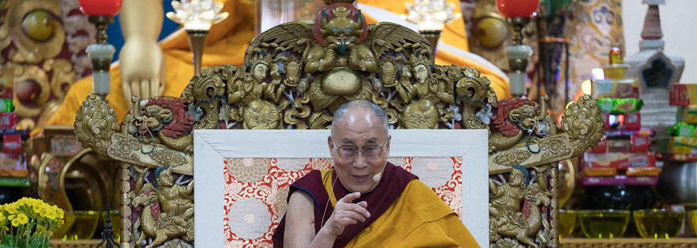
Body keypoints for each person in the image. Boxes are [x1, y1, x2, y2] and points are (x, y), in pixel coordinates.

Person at [44, 0, 509, 128]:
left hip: (374, 29)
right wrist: (141, 38)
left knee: (484, 91)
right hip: (240, 39)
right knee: (90, 97)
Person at [269, 99, 513, 248]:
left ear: (386, 147)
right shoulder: (310, 194)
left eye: (371, 149)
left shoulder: (408, 190)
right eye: (348, 149)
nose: (360, 162)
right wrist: (330, 230)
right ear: (332, 146)